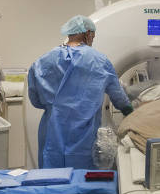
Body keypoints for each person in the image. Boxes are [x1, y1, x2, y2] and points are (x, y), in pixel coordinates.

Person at [27, 15, 133, 169]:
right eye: (93, 36)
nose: (92, 40)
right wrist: (130, 112)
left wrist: (54, 107)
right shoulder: (99, 60)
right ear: (88, 33)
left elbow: (35, 98)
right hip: (85, 132)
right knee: (82, 177)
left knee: (52, 176)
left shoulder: (45, 60)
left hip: (53, 129)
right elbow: (118, 96)